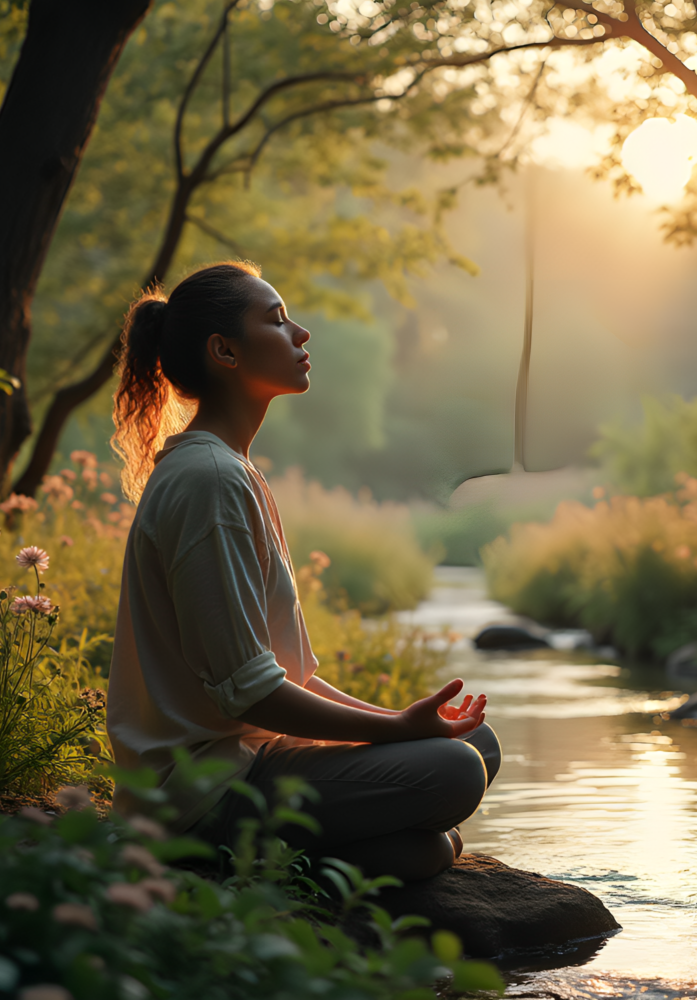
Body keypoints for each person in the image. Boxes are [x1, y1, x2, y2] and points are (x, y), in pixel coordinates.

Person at [106, 260, 499, 881]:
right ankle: (218, 857)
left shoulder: (230, 471)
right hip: (203, 793)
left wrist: (400, 727)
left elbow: (290, 678)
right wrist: (396, 729)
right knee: (454, 770)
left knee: (474, 745)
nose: (302, 334)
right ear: (224, 351)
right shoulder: (209, 480)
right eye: (278, 320)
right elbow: (251, 690)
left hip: (255, 757)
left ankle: (348, 854)